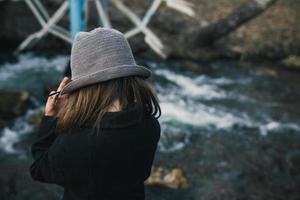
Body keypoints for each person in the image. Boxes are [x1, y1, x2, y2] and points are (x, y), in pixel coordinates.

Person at [29, 27, 161, 200]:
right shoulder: (149, 124)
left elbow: (39, 169)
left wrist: (51, 118)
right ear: (129, 74)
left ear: (84, 87)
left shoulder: (77, 139)